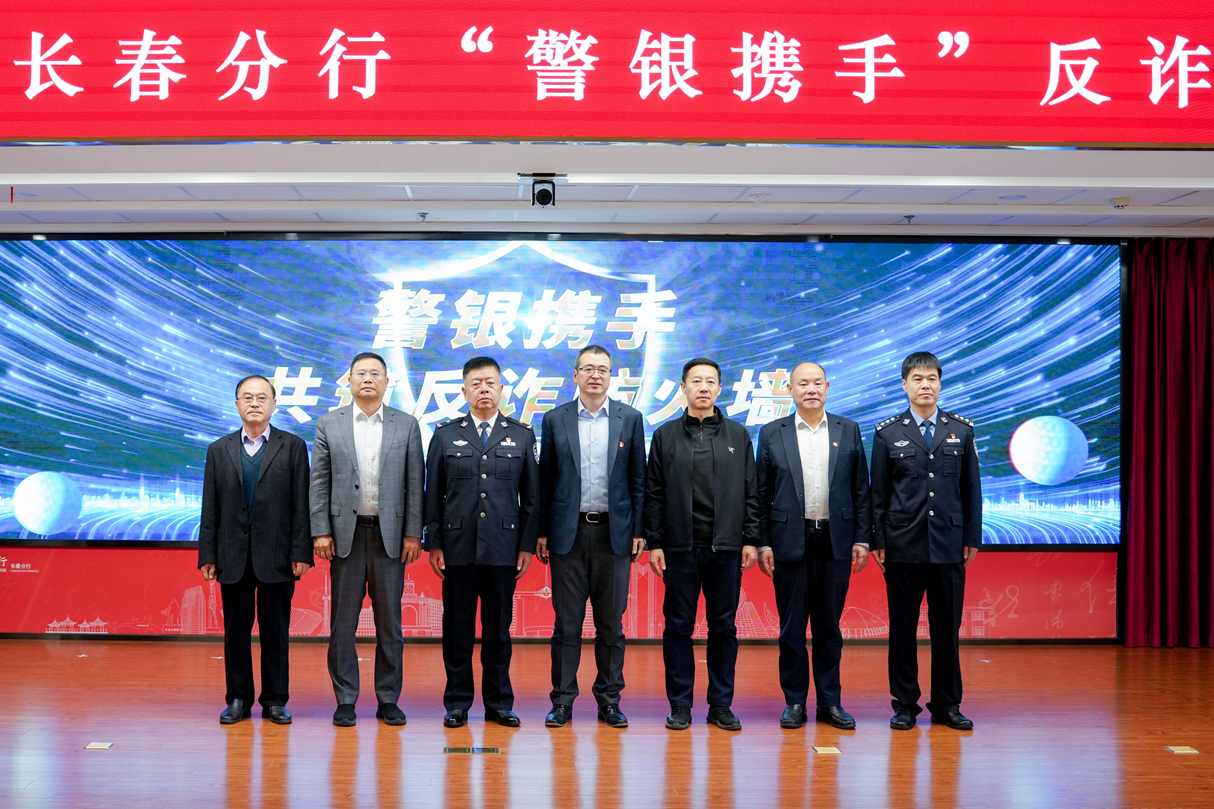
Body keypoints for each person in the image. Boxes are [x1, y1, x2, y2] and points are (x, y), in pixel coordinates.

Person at [310, 352, 425, 728]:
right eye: (361, 373)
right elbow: (319, 481)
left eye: (376, 373)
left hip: (389, 537)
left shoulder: (406, 425)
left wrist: (413, 532)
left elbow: (415, 484)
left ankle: (388, 698)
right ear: (349, 380)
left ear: (387, 381)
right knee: (342, 624)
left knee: (390, 624)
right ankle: (345, 699)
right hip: (346, 536)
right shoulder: (329, 423)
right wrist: (320, 530)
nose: (368, 379)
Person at [755, 362, 873, 730]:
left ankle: (830, 702)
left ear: (827, 387)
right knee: (792, 628)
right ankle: (794, 702)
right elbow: (760, 494)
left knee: (829, 628)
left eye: (817, 383)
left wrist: (862, 538)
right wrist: (763, 543)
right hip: (789, 540)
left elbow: (861, 489)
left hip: (835, 540)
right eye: (803, 384)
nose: (811, 389)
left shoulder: (847, 429)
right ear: (789, 390)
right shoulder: (772, 433)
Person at [644, 358, 759, 732]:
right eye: (696, 381)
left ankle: (720, 704)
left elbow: (751, 491)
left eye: (710, 381)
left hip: (726, 548)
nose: (703, 387)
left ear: (720, 389)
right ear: (684, 388)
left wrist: (751, 538)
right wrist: (655, 541)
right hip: (679, 548)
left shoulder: (738, 435)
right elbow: (654, 493)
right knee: (678, 628)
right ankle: (680, 705)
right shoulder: (665, 435)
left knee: (724, 628)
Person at [424, 356, 539, 728]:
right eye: (476, 383)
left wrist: (525, 545)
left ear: (502, 389)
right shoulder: (445, 435)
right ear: (464, 391)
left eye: (490, 382)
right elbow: (432, 493)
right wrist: (434, 543)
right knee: (457, 629)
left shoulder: (521, 435)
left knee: (498, 631)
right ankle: (457, 702)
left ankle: (499, 703)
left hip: (504, 548)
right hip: (457, 548)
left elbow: (531, 497)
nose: (484, 389)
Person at [870, 351, 982, 731]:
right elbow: (878, 493)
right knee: (902, 630)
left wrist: (971, 536)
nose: (925, 385)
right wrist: (878, 539)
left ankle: (947, 704)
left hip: (949, 545)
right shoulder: (887, 433)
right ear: (905, 385)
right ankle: (904, 705)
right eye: (917, 379)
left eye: (932, 378)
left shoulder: (961, 430)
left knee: (946, 629)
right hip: (902, 545)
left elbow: (971, 490)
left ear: (940, 383)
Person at [537, 345, 646, 729]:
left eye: (603, 369)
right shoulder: (555, 419)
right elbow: (545, 481)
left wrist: (638, 531)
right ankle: (562, 701)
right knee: (566, 625)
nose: (595, 375)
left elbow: (638, 480)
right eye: (588, 369)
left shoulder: (630, 418)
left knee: (611, 626)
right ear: (576, 375)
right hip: (567, 534)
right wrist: (542, 532)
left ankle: (609, 701)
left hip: (614, 535)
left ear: (611, 376)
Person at [199, 374, 312, 725]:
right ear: (236, 405)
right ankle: (238, 699)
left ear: (274, 405)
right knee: (235, 633)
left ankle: (275, 700)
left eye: (262, 397)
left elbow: (301, 504)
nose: (254, 403)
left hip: (278, 556)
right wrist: (208, 555)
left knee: (275, 632)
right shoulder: (218, 450)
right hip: (232, 555)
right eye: (247, 397)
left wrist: (301, 551)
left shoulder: (293, 447)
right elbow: (210, 507)